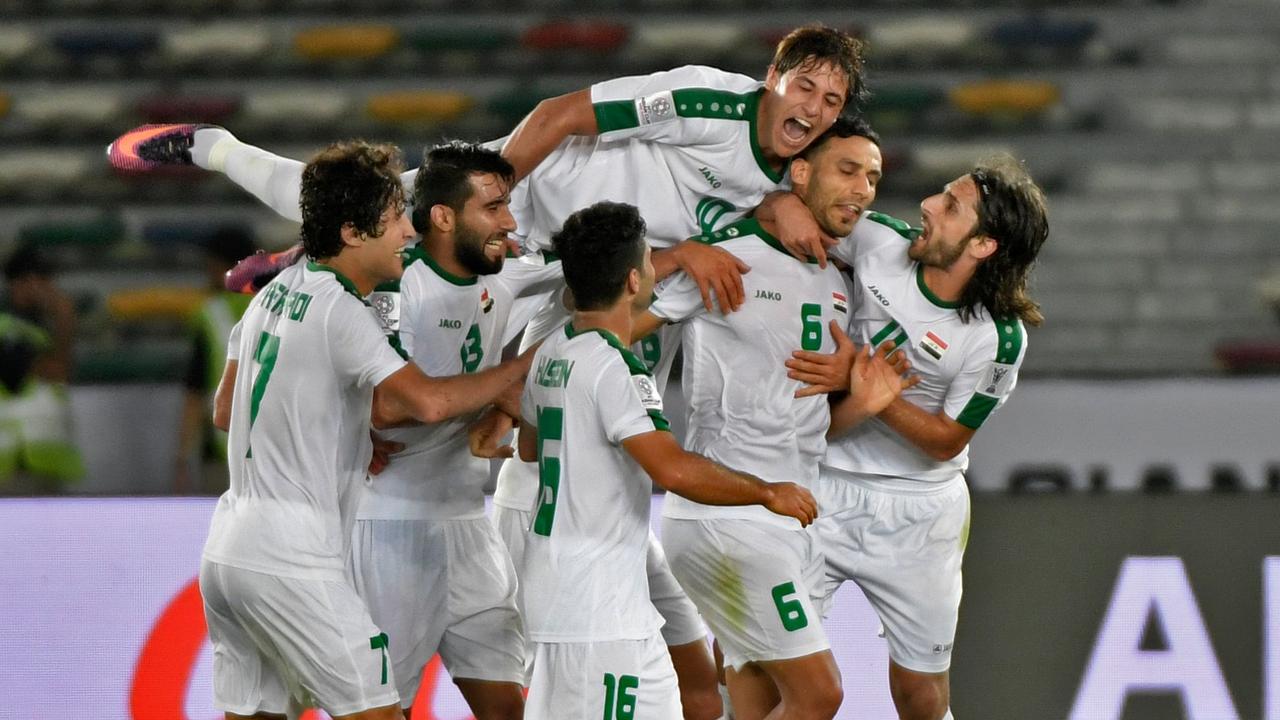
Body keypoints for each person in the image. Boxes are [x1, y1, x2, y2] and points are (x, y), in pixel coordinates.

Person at [198, 140, 536, 720]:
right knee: (378, 711)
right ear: (353, 233)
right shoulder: (344, 310)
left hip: (229, 549)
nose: (409, 232)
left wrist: (337, 424)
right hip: (295, 556)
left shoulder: (273, 294)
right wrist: (522, 370)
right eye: (395, 220)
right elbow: (427, 403)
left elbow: (226, 409)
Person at [629, 115, 905, 720]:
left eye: (874, 177)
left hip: (792, 511)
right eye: (848, 169)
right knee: (819, 695)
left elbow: (809, 424)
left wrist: (864, 401)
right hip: (727, 513)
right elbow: (616, 329)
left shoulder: (841, 277)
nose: (862, 188)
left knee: (758, 706)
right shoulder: (729, 256)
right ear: (800, 172)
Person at [514, 200, 817, 720]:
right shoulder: (616, 368)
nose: (656, 271)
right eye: (651, 262)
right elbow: (672, 469)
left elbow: (526, 446)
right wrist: (767, 492)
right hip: (597, 608)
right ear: (634, 281)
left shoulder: (552, 351)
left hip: (569, 589)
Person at [783, 154, 1050, 720]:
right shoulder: (878, 241)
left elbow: (947, 439)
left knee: (919, 698)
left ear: (983, 246)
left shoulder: (997, 340)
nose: (927, 206)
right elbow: (796, 212)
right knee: (766, 666)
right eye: (939, 195)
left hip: (918, 514)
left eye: (951, 208)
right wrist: (786, 207)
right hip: (820, 488)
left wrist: (871, 392)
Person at [350, 141, 563, 720]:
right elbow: (389, 409)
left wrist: (694, 254)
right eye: (492, 208)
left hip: (469, 525)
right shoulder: (400, 288)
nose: (510, 222)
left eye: (508, 205)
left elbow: (611, 263)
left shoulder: (511, 279)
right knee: (381, 710)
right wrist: (506, 385)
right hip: (392, 527)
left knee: (505, 708)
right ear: (443, 217)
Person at [175, 226, 257, 494]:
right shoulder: (282, 306)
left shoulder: (209, 314)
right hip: (277, 448)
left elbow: (195, 391)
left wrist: (183, 455)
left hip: (220, 448)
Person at [0, 245, 84, 492]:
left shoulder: (42, 329)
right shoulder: (7, 327)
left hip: (43, 462)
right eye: (39, 279)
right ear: (22, 282)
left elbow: (60, 374)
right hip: (14, 461)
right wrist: (64, 320)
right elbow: (46, 370)